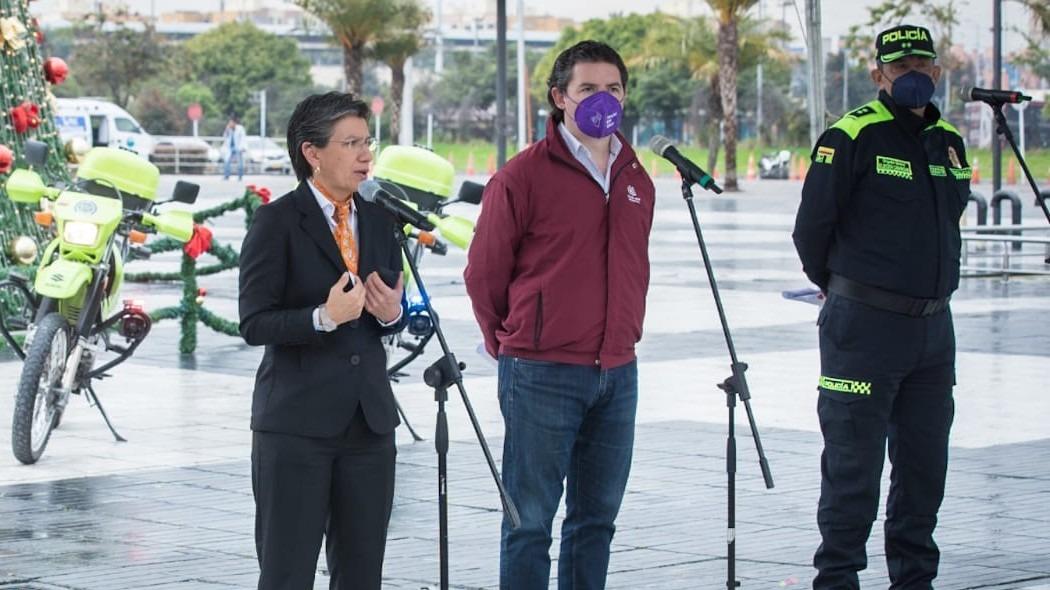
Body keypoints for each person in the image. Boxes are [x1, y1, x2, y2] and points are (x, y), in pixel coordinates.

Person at [464, 40, 655, 590]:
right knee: (529, 522)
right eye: (589, 88)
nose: (604, 99)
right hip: (541, 372)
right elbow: (484, 274)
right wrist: (512, 339)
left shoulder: (636, 175)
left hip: (618, 372)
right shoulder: (521, 177)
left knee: (596, 521)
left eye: (614, 88)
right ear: (560, 98)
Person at [792, 24, 971, 590]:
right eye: (901, 68)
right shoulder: (850, 137)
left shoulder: (948, 141)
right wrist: (844, 289)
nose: (914, 74)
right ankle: (838, 579)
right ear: (879, 76)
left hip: (932, 332)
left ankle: (914, 580)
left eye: (923, 63)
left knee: (924, 471)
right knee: (854, 469)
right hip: (863, 330)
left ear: (937, 71)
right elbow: (810, 230)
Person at [238, 92, 406, 590]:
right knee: (287, 573)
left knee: (361, 574)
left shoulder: (379, 218)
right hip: (296, 427)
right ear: (312, 153)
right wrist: (321, 317)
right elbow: (254, 323)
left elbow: (386, 310)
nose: (365, 155)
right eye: (350, 143)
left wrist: (391, 313)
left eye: (367, 142)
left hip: (369, 424)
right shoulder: (277, 222)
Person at [222, 115, 247, 180]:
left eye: (231, 123)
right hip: (229, 148)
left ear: (234, 123)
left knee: (240, 162)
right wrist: (227, 130)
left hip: (238, 147)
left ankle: (240, 176)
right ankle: (226, 176)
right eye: (229, 123)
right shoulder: (228, 129)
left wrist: (243, 147)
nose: (230, 124)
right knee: (227, 162)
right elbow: (225, 137)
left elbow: (243, 138)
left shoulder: (240, 128)